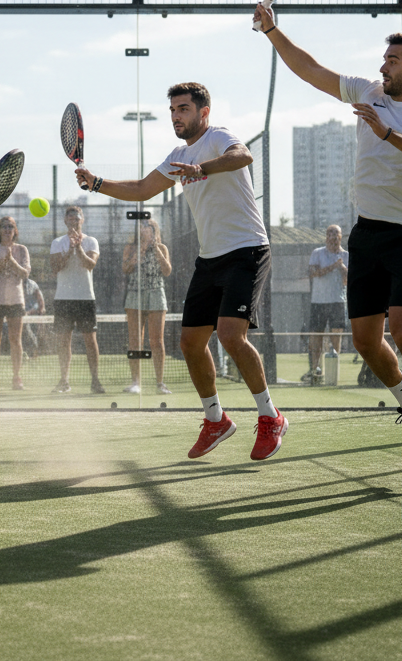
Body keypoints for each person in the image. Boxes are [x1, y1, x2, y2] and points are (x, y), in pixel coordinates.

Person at [256, 3, 402, 469]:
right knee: (365, 341)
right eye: (384, 58)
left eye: (393, 60)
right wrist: (272, 30)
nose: (383, 65)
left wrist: (387, 135)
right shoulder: (368, 91)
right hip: (366, 234)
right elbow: (311, 70)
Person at [75, 82, 286, 461]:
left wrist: (201, 168)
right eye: (173, 109)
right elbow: (142, 188)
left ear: (203, 112)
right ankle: (216, 420)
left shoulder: (220, 137)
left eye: (184, 109)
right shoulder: (176, 155)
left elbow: (242, 156)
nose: (176, 115)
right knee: (189, 343)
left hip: (248, 250)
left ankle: (271, 417)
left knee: (230, 335)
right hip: (211, 258)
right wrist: (98, 183)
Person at [50, 206, 104, 394]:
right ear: (65, 221)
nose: (74, 221)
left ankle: (95, 381)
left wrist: (78, 247)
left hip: (85, 298)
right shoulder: (57, 243)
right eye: (70, 218)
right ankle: (64, 381)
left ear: (82, 220)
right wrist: (69, 250)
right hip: (63, 299)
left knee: (90, 340)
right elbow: (56, 267)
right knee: (64, 341)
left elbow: (90, 264)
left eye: (77, 218)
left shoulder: (91, 241)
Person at [122, 217, 173, 395]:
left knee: (157, 341)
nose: (146, 229)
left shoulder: (163, 248)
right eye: (143, 226)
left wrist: (157, 251)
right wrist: (140, 251)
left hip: (156, 294)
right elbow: (126, 269)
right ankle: (136, 382)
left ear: (154, 229)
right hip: (135, 295)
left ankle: (160, 383)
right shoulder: (131, 247)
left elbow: (167, 271)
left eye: (149, 226)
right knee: (135, 340)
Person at [0, 215, 31, 390]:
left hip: (16, 301)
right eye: (4, 226)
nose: (7, 229)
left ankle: (17, 378)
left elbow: (25, 274)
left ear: (15, 231)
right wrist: (1, 265)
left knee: (15, 340)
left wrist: (11, 262)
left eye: (11, 226)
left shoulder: (22, 250)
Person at [306, 225, 348, 381]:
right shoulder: (318, 253)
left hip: (337, 301)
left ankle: (332, 372)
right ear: (326, 237)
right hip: (319, 301)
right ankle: (315, 370)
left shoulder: (346, 256)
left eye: (336, 234)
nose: (333, 237)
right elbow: (314, 273)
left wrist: (342, 268)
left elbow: (347, 281)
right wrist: (333, 266)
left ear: (340, 237)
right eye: (330, 233)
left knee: (336, 336)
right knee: (316, 336)